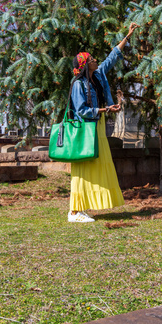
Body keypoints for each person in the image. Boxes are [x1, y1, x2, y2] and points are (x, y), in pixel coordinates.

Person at [68, 23, 139, 223]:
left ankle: (82, 209)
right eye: (91, 59)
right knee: (83, 168)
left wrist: (128, 35)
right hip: (84, 127)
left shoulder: (98, 75)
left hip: (97, 126)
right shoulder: (78, 84)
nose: (95, 59)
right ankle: (74, 212)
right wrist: (105, 109)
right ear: (84, 65)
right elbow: (81, 110)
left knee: (97, 165)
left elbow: (112, 56)